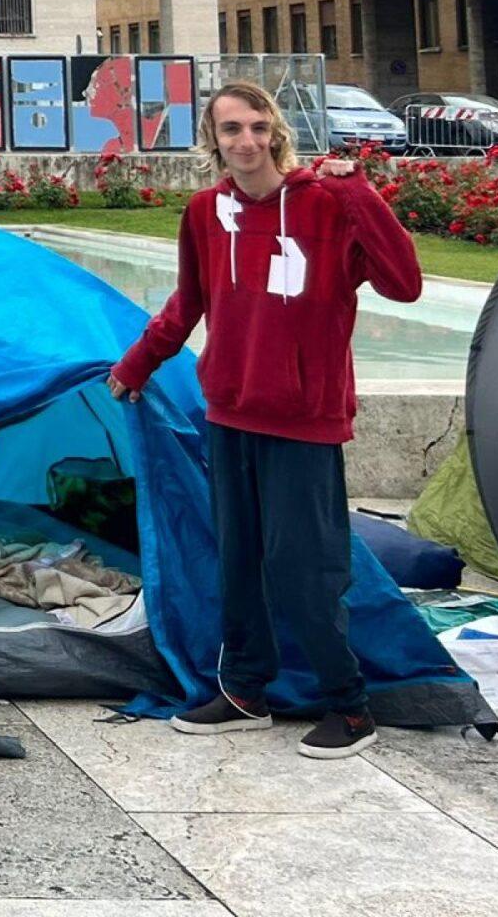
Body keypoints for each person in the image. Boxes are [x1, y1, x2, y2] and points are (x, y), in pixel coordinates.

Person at [107, 79, 422, 757]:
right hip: (231, 413)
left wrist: (360, 193)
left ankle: (351, 707)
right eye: (230, 130)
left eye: (256, 126)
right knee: (240, 563)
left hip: (303, 421)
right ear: (214, 142)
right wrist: (137, 365)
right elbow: (187, 302)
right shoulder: (203, 213)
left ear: (275, 131)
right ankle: (246, 689)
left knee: (303, 567)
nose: (245, 141)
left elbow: (405, 282)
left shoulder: (329, 205)